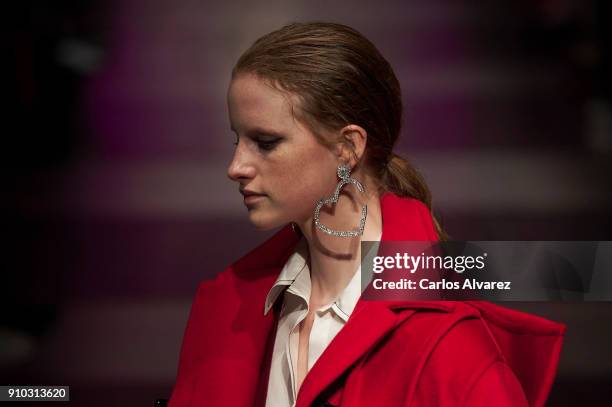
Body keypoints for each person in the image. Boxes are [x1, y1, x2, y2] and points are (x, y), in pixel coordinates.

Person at [168, 22, 565, 407]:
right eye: (239, 140)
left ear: (348, 147)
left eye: (265, 142)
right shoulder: (227, 310)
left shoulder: (452, 352)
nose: (236, 166)